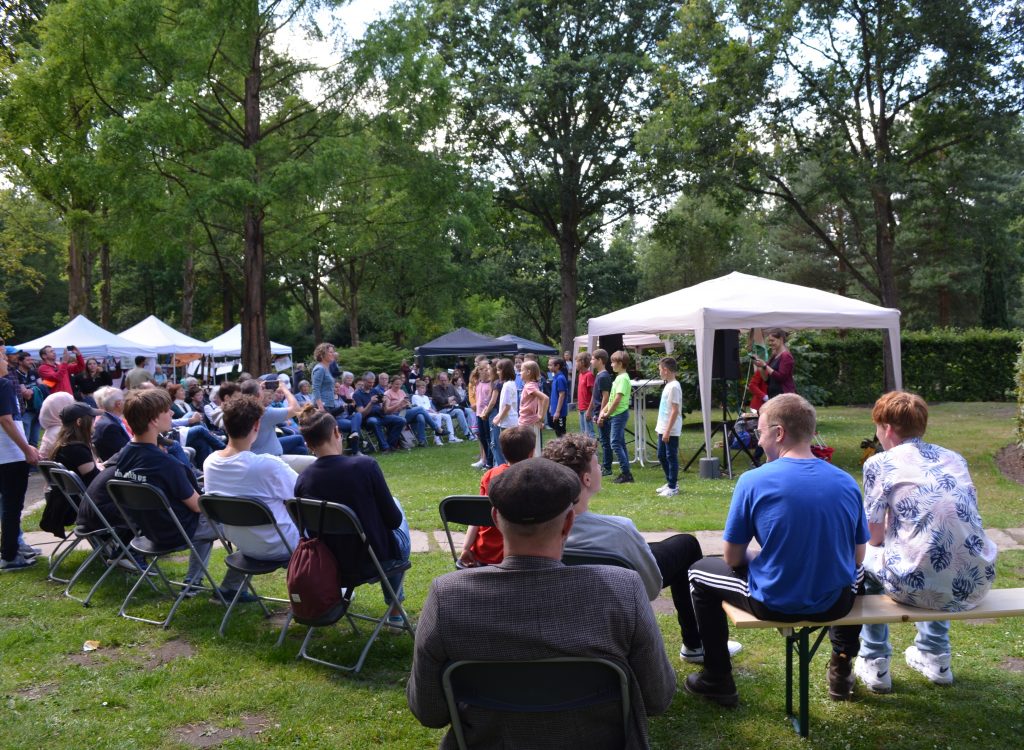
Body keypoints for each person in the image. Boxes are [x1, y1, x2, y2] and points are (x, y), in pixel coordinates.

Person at [407, 457, 676, 749]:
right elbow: (657, 698)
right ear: (569, 522)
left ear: (495, 519)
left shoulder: (448, 597)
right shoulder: (622, 589)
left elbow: (429, 712)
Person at [686, 394, 867, 706]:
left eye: (760, 431)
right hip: (835, 604)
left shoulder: (753, 480)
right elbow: (858, 557)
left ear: (779, 432)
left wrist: (759, 557)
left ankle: (717, 677)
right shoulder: (846, 482)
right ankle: (841, 661)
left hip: (775, 601)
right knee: (859, 572)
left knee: (697, 572)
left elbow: (732, 558)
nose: (758, 439)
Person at [546, 433, 740, 664]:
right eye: (597, 464)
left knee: (668, 547)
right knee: (686, 545)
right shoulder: (619, 530)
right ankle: (694, 643)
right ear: (587, 479)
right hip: (615, 601)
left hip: (565, 605)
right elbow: (649, 587)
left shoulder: (537, 533)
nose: (600, 469)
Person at [854, 391, 997, 693]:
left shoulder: (880, 463)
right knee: (937, 549)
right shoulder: (953, 457)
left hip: (919, 585)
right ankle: (935, 655)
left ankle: (874, 659)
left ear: (887, 429)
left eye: (878, 428)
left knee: (865, 558)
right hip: (976, 581)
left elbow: (874, 536)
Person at [113, 387, 253, 601]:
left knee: (205, 529)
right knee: (250, 525)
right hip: (177, 531)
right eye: (167, 411)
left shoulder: (124, 455)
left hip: (149, 530)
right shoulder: (165, 463)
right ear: (153, 420)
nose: (172, 414)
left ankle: (192, 583)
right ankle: (231, 589)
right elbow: (198, 506)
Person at [294, 407, 411, 627]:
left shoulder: (303, 480)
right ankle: (395, 610)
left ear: (308, 444)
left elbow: (310, 533)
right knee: (395, 507)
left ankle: (348, 592)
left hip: (332, 562)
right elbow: (393, 521)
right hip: (375, 560)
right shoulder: (365, 465)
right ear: (337, 432)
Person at [202, 394, 299, 561]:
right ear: (256, 425)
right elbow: (304, 494)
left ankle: (231, 587)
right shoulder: (269, 465)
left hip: (241, 544)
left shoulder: (209, 463)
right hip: (282, 544)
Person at [458, 426, 536, 568]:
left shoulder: (490, 475)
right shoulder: (534, 478)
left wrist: (465, 548)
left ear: (503, 452)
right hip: (519, 553)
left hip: (485, 552)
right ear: (531, 453)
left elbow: (477, 516)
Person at [0, 349, 41, 571]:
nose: (7, 362)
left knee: (7, 507)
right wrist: (26, 448)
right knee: (12, 507)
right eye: (3, 358)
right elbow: (7, 420)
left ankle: (10, 549)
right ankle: (9, 555)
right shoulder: (4, 385)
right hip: (10, 456)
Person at [239, 379, 306, 456]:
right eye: (261, 390)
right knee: (309, 458)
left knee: (300, 449)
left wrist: (257, 388)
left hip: (252, 454)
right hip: (270, 457)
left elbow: (253, 399)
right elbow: (296, 409)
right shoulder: (264, 413)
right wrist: (285, 389)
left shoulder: (239, 410)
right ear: (258, 395)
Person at [597, 350, 633, 484]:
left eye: (613, 362)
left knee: (615, 443)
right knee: (620, 443)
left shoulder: (623, 378)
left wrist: (608, 413)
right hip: (615, 414)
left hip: (619, 414)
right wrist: (603, 412)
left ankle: (626, 474)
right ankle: (626, 472)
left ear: (620, 363)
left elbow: (617, 400)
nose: (611, 365)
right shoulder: (619, 377)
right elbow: (611, 399)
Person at [52, 402, 103, 487]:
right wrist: (104, 469)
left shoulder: (62, 445)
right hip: (81, 499)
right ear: (79, 422)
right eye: (92, 417)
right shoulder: (77, 449)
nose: (95, 421)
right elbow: (95, 481)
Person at [353, 372, 404, 452]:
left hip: (381, 415)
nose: (371, 384)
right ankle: (385, 447)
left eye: (373, 382)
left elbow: (384, 411)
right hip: (368, 419)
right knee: (374, 421)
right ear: (363, 381)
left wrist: (384, 403)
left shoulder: (374, 391)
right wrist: (371, 403)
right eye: (369, 382)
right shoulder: (357, 394)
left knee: (401, 420)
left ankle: (391, 445)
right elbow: (361, 414)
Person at [655, 357, 683, 497]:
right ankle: (670, 481)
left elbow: (675, 410)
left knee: (670, 456)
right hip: (663, 427)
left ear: (665, 370)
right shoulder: (668, 384)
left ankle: (673, 486)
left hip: (670, 429)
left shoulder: (674, 386)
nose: (659, 372)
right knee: (661, 455)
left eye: (660, 369)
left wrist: (667, 431)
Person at [384, 375, 430, 448]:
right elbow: (387, 410)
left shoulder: (402, 392)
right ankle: (436, 428)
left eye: (400, 384)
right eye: (396, 384)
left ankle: (422, 441)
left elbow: (407, 404)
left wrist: (408, 405)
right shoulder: (387, 393)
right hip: (395, 414)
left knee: (420, 416)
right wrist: (399, 404)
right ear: (391, 384)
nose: (398, 386)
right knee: (420, 409)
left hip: (404, 411)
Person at [92, 387, 132, 463]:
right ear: (118, 404)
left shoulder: (109, 420)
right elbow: (126, 453)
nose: (126, 402)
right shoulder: (110, 426)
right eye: (124, 400)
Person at [752, 328, 795, 399]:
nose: (770, 343)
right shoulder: (774, 355)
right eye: (769, 341)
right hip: (773, 395)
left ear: (781, 339)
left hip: (784, 396)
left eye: (772, 340)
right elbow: (767, 380)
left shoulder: (786, 356)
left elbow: (781, 378)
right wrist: (760, 366)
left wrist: (765, 365)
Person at [517, 360, 548, 457]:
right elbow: (539, 400)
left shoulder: (529, 386)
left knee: (527, 450)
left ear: (528, 372)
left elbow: (545, 398)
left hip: (527, 422)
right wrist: (538, 416)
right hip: (530, 420)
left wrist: (541, 417)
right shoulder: (533, 385)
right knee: (533, 448)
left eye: (522, 370)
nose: (519, 373)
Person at [490, 358, 518, 465]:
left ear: (504, 371)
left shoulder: (506, 386)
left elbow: (507, 406)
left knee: (507, 449)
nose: (497, 372)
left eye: (498, 370)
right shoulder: (511, 383)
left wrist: (498, 419)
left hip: (507, 422)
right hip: (511, 420)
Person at [590, 349, 613, 476]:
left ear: (600, 360)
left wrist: (601, 415)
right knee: (603, 440)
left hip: (603, 414)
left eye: (593, 359)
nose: (591, 361)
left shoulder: (604, 376)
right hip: (598, 412)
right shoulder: (599, 375)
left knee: (605, 441)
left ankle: (607, 467)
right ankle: (606, 465)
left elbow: (606, 396)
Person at [431, 371, 471, 438]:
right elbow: (441, 400)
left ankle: (473, 430)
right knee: (459, 412)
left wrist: (453, 401)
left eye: (445, 380)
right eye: (442, 380)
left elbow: (458, 398)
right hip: (442, 410)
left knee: (470, 411)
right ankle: (468, 434)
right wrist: (450, 399)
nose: (443, 382)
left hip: (453, 407)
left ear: (448, 380)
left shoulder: (451, 386)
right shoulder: (436, 389)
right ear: (439, 380)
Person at [472, 362, 496, 469]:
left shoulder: (491, 383)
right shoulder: (478, 383)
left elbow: (490, 399)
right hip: (479, 413)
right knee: (482, 437)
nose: (485, 372)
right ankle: (485, 459)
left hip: (486, 414)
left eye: (487, 369)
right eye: (483, 369)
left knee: (488, 437)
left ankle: (490, 461)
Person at [546, 357, 569, 437]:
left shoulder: (560, 378)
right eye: (548, 365)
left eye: (550, 365)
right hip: (555, 410)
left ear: (557, 366)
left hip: (560, 412)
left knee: (561, 434)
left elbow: (562, 395)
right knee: (557, 432)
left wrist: (558, 411)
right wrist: (552, 406)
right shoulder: (555, 377)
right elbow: (554, 394)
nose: (548, 367)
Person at [575, 351, 595, 438]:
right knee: (583, 434)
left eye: (577, 361)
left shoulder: (589, 375)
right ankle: (586, 451)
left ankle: (593, 451)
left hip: (587, 409)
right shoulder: (580, 375)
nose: (575, 363)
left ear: (582, 362)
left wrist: (590, 411)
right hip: (581, 409)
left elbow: (594, 395)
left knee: (589, 433)